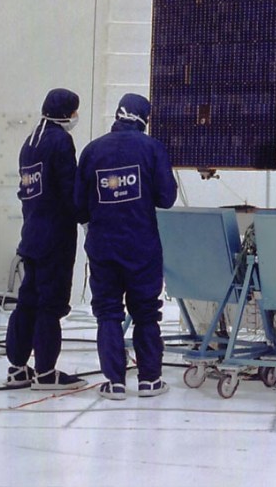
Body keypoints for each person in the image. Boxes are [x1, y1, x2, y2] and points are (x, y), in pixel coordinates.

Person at [74, 93, 177, 399]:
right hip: (141, 245)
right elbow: (166, 199)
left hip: (102, 245)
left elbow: (78, 206)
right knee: (146, 311)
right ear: (144, 118)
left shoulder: (92, 150)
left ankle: (114, 382)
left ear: (117, 114)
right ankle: (150, 380)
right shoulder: (152, 148)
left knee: (108, 312)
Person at [6, 88, 86, 389]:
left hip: (31, 234)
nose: (76, 116)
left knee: (27, 302)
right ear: (66, 112)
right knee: (50, 304)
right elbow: (68, 189)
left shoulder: (30, 142)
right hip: (55, 237)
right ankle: (45, 372)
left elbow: (26, 190)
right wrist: (85, 216)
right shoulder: (60, 141)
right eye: (75, 111)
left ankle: (17, 368)